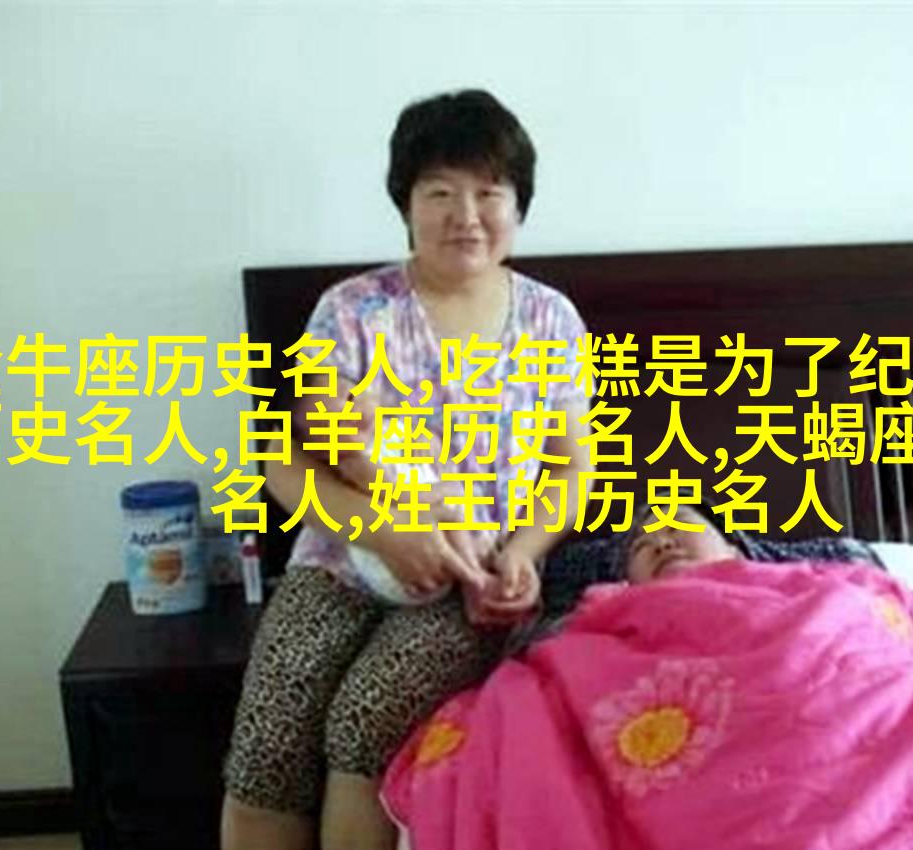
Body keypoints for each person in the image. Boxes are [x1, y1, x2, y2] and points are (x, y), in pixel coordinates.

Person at [221, 89, 593, 850]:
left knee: (365, 720)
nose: (466, 215)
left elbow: (569, 473)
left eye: (489, 192)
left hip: (471, 579)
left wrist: (522, 557)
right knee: (271, 735)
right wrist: (384, 533)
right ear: (406, 204)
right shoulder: (352, 310)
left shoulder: (551, 320)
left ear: (518, 205)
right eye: (440, 192)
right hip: (341, 561)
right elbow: (283, 462)